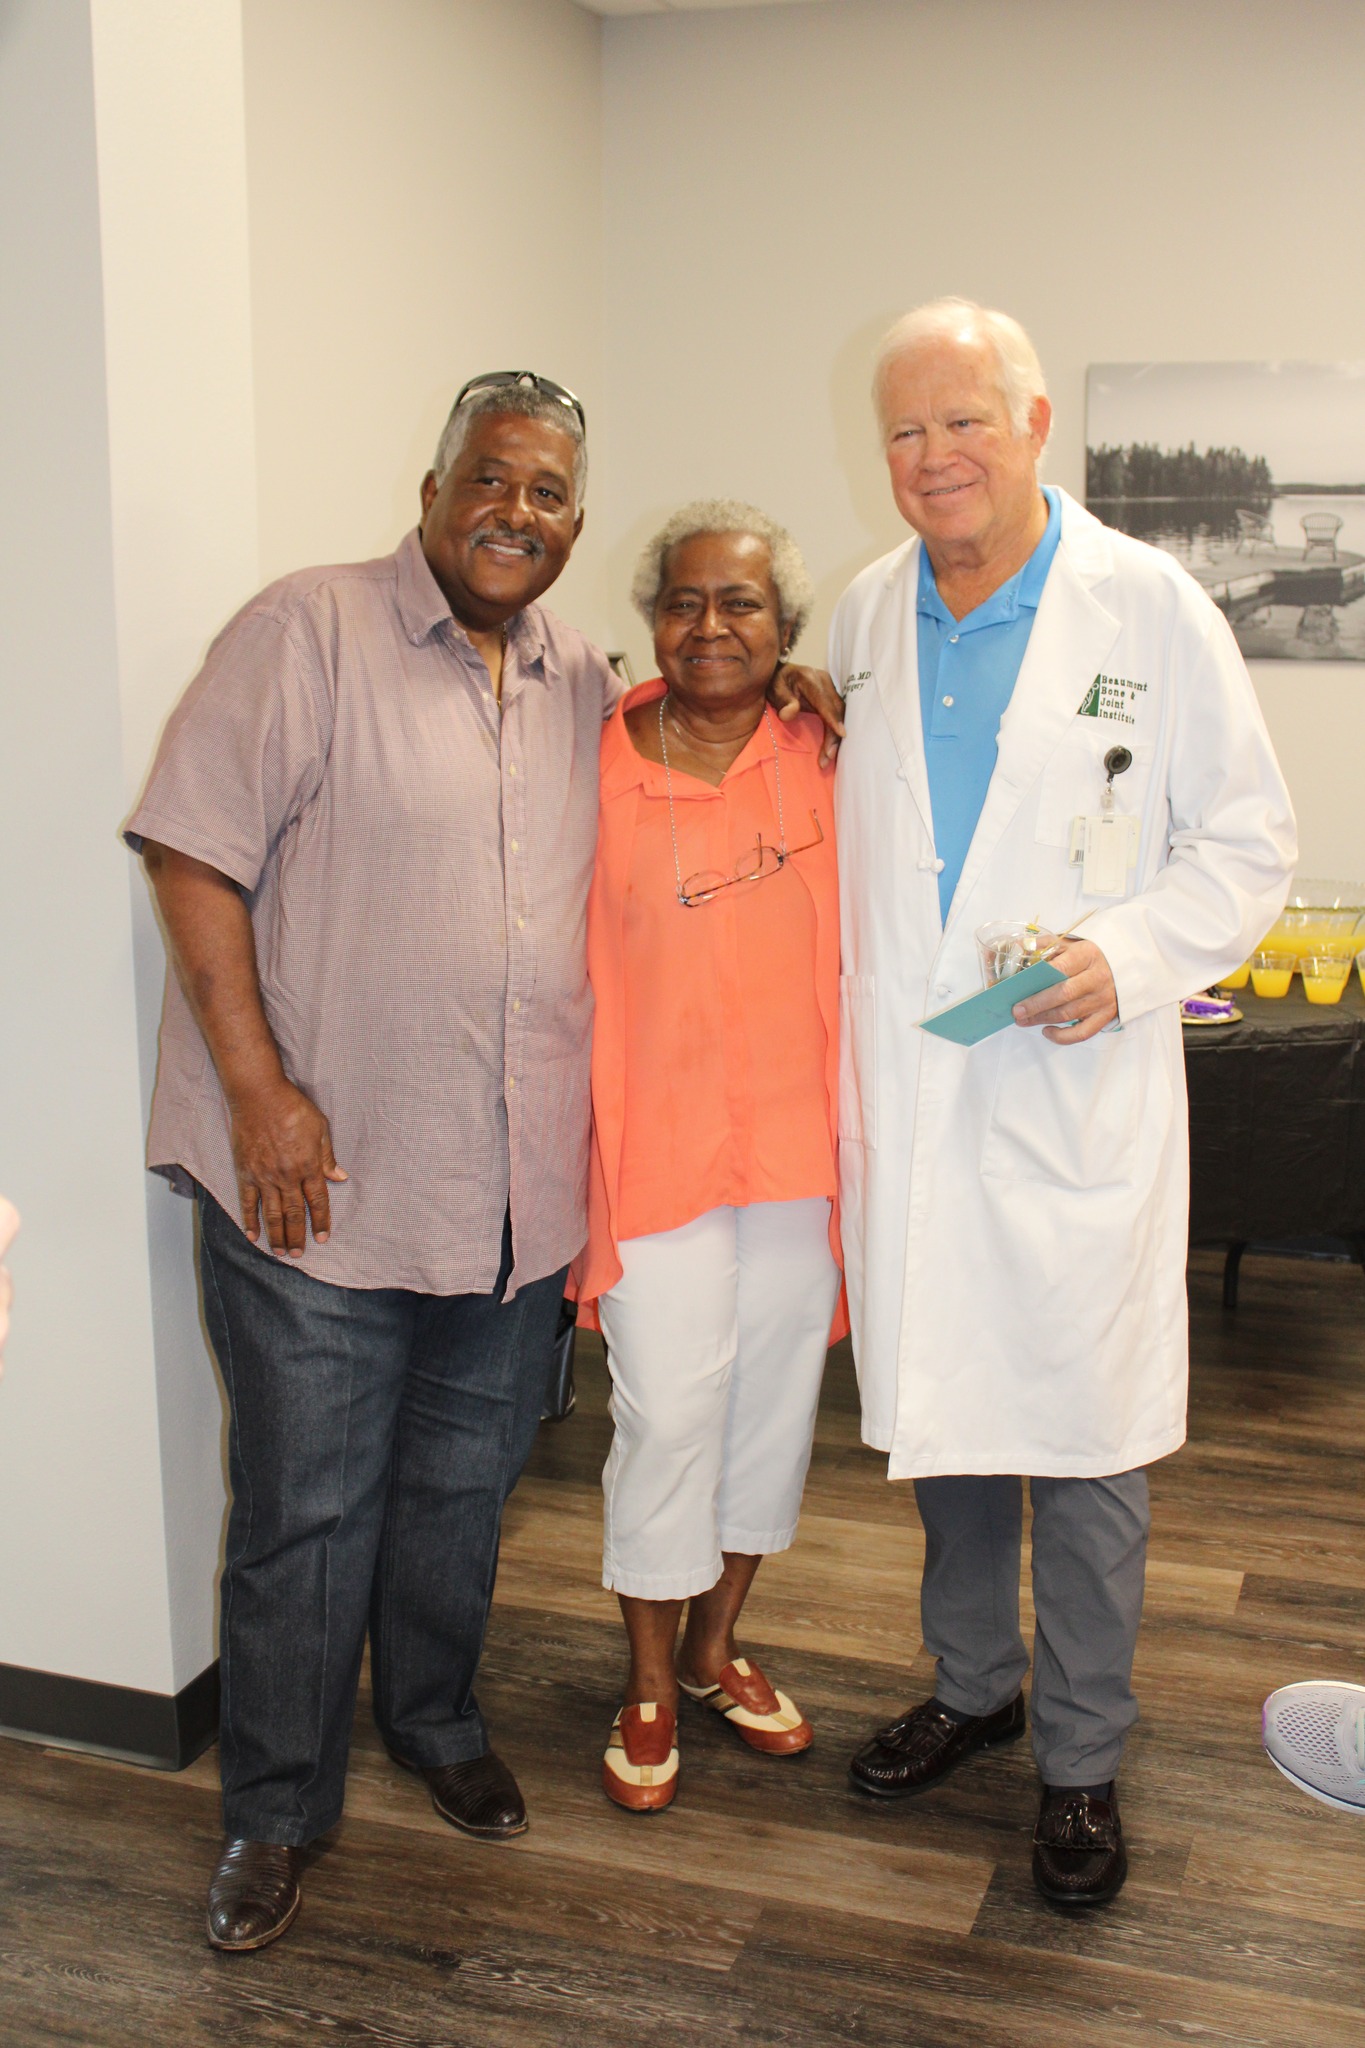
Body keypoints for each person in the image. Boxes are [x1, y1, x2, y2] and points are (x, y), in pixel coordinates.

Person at [125, 374, 841, 1952]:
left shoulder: (585, 678)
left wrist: (800, 688)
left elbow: (705, 726)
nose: (517, 513)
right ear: (436, 488)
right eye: (492, 480)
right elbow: (190, 851)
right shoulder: (305, 630)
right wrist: (258, 1090)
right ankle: (274, 1812)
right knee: (308, 1512)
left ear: (576, 527)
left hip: (509, 1196)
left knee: (461, 1491)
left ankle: (434, 1722)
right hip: (319, 1184)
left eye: (549, 494)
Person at [831, 300, 1296, 1905]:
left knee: (1086, 1445)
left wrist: (1127, 954)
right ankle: (973, 1689)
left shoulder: (1146, 607)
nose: (933, 456)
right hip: (922, 1090)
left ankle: (1082, 1759)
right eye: (905, 429)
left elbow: (1244, 842)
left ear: (1033, 427)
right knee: (950, 1424)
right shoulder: (868, 614)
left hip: (1072, 1087)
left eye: (964, 420)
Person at [575, 503, 843, 1812]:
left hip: (800, 1149)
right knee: (666, 1415)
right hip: (651, 1149)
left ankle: (713, 1647)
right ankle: (644, 1677)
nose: (710, 625)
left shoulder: (829, 747)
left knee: (770, 1411)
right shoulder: (592, 755)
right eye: (683, 601)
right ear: (651, 620)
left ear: (784, 628)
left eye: (740, 603)